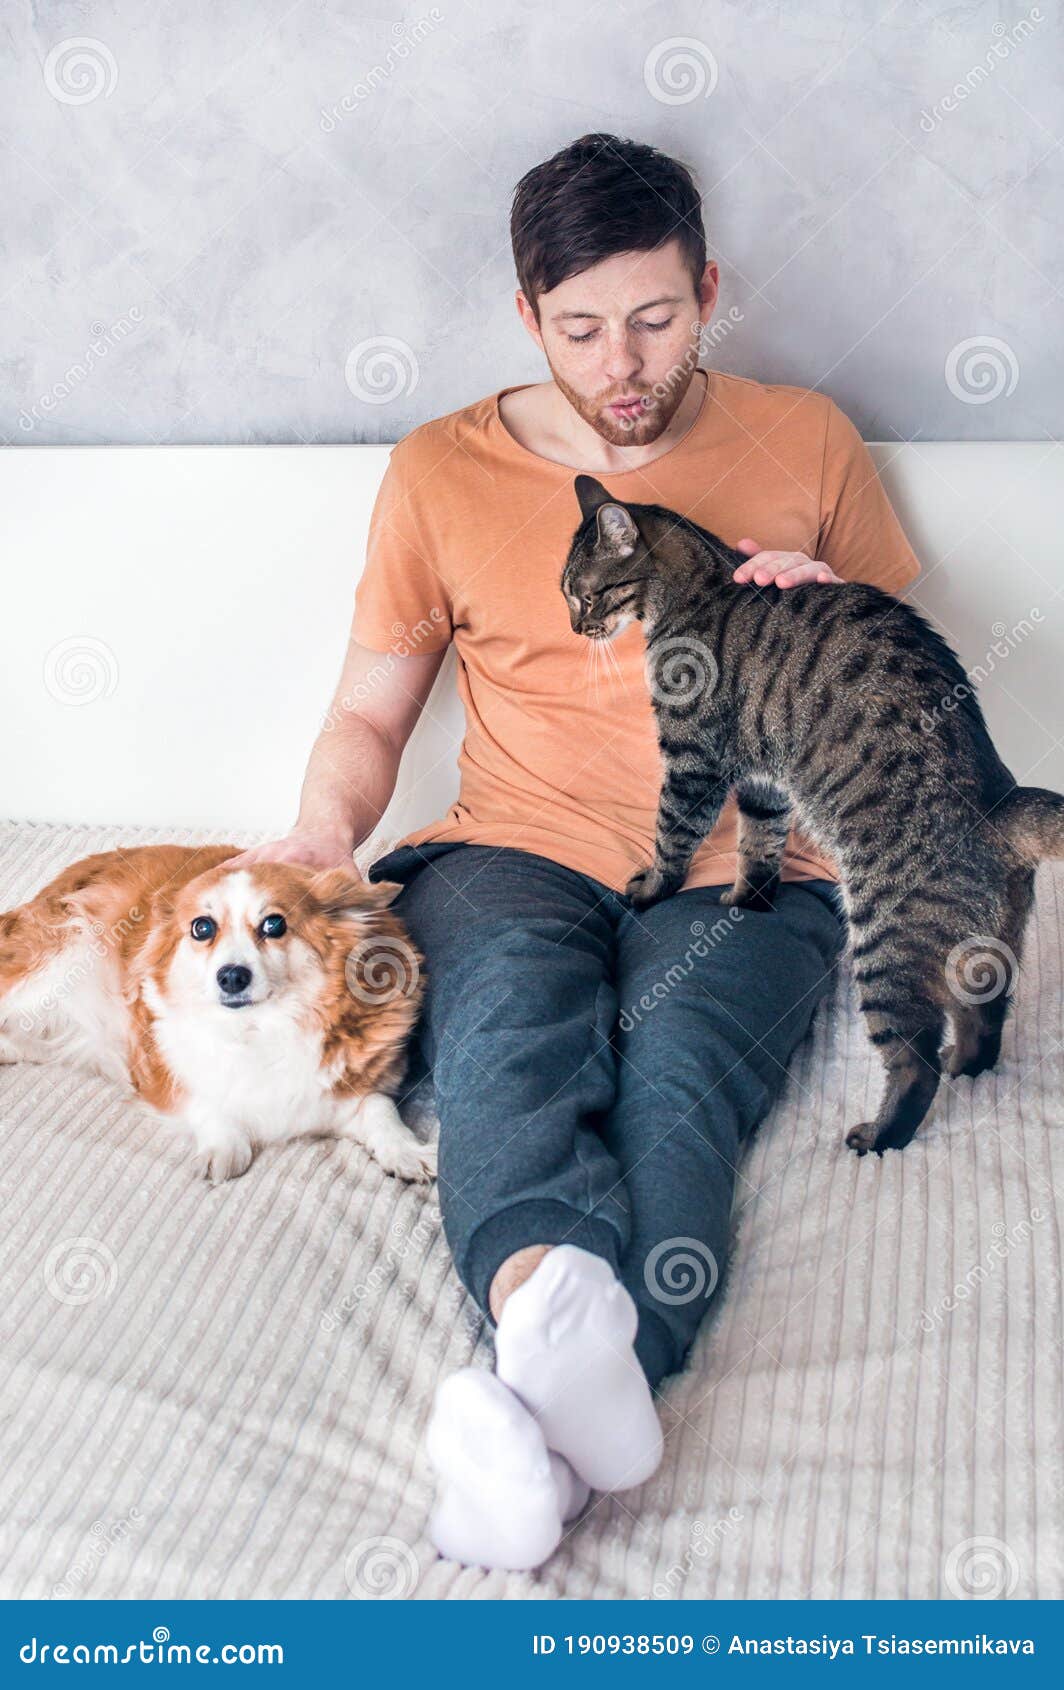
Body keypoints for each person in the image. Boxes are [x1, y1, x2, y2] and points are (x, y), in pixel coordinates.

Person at [230, 133, 921, 1570]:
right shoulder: (440, 471)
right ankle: (557, 1334)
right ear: (527, 315)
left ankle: (543, 1419)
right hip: (512, 851)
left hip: (748, 865)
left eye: (657, 319)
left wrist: (833, 608)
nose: (624, 365)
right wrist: (322, 832)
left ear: (710, 291)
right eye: (583, 328)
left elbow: (908, 691)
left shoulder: (808, 440)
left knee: (679, 1071)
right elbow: (369, 711)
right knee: (508, 1033)